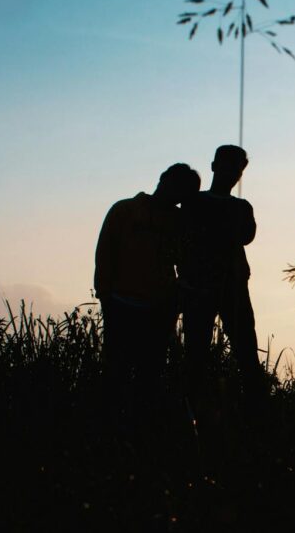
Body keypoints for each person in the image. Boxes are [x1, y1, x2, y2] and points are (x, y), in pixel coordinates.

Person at [94, 163, 200, 412]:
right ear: (163, 179)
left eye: (185, 191)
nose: (178, 193)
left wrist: (175, 303)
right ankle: (112, 428)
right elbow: (105, 253)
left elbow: (185, 261)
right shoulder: (125, 210)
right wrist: (105, 296)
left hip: (159, 309)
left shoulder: (179, 221)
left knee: (150, 376)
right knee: (116, 373)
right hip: (120, 304)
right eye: (177, 185)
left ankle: (142, 430)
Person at [179, 145, 264, 419]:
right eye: (228, 167)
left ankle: (255, 412)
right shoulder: (194, 202)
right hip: (199, 286)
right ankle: (194, 411)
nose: (232, 174)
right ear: (214, 166)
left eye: (237, 170)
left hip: (233, 287)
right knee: (196, 353)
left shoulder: (241, 207)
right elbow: (183, 240)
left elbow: (246, 236)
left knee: (247, 352)